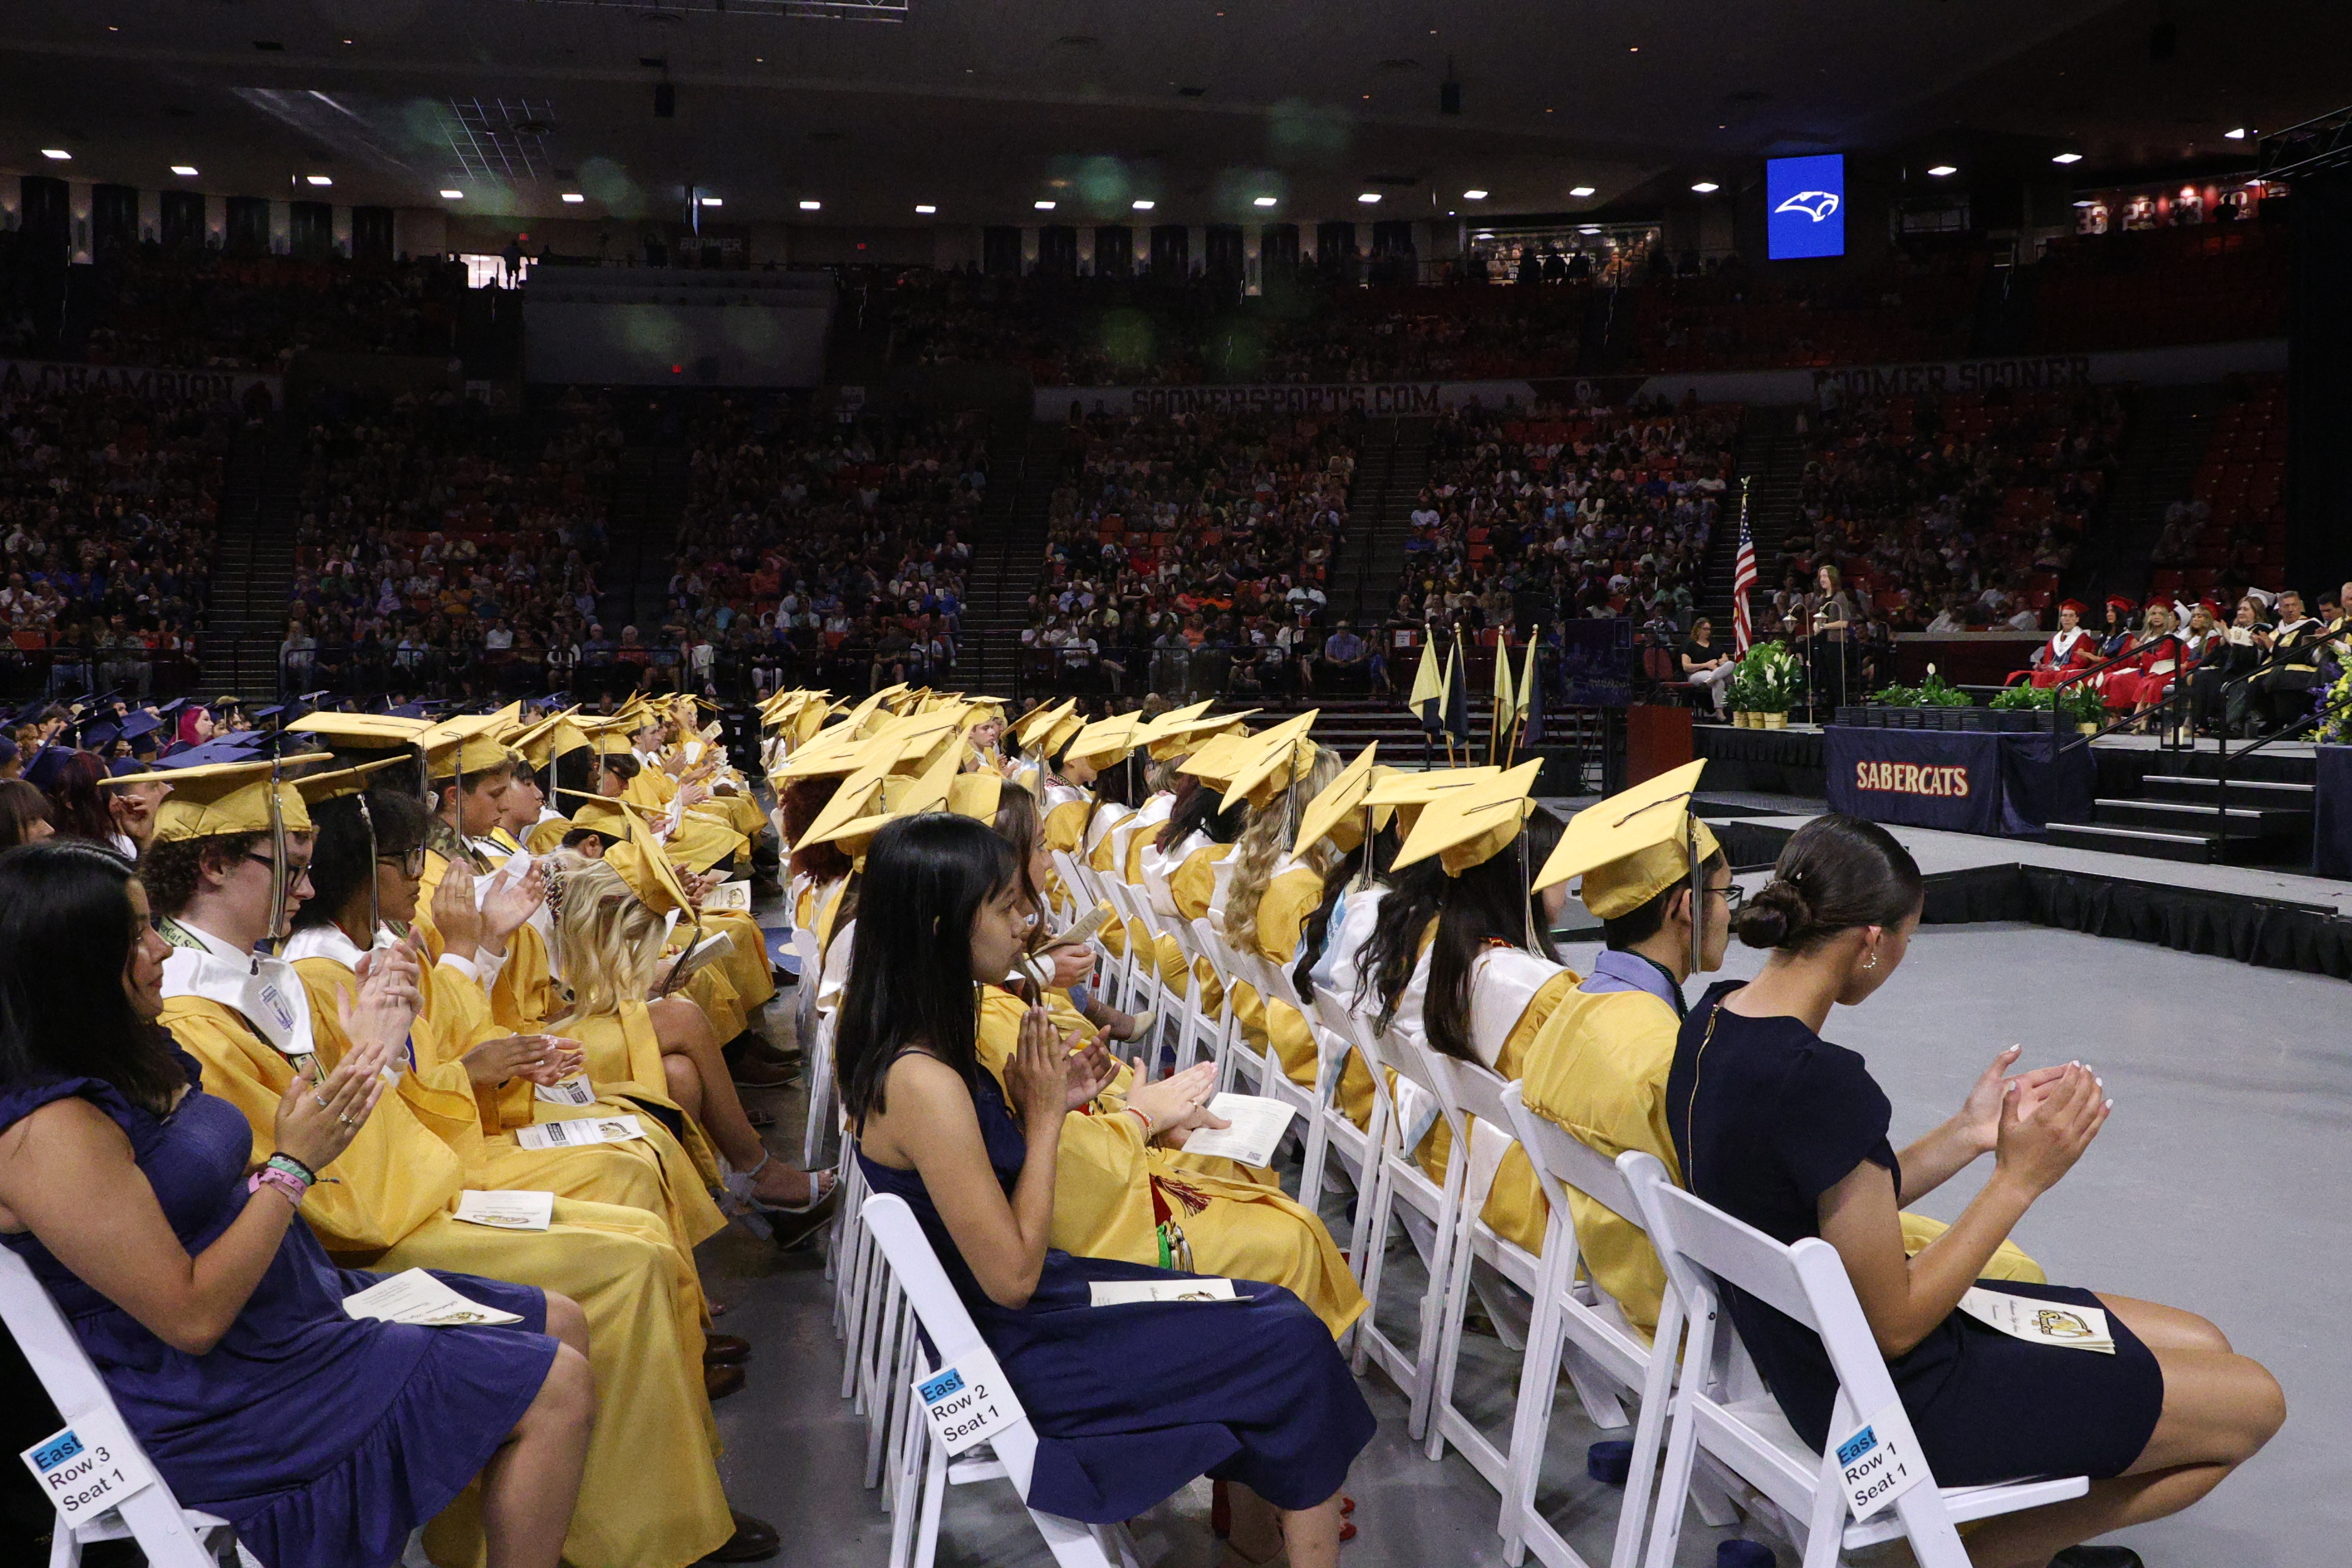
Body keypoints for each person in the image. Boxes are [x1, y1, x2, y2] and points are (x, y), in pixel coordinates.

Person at [1670, 815, 2282, 1567]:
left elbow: (1824, 1202)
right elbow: (1897, 1325)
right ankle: (1967, 1559)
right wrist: (2018, 1181)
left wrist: (1967, 1131)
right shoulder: (1819, 1081)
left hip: (1816, 1373)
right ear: (1871, 942)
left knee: (2205, 1345)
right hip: (1900, 1397)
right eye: (1906, 938)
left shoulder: (1712, 1022)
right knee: (2254, 1404)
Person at [0, 841, 593, 1568]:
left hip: (292, 1307)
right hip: (225, 1392)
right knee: (557, 1386)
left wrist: (368, 1058)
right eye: (134, 937)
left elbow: (214, 1178)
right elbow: (191, 1319)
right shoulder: (47, 1135)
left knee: (561, 1319)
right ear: (71, 965)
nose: (161, 948)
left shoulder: (124, 1049)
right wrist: (291, 1168)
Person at [839, 812, 1374, 1568]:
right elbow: (1012, 1277)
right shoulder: (923, 1080)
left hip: (1033, 1316)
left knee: (1273, 1313)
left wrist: (1048, 1106)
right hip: (1029, 1351)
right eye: (1004, 907)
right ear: (940, 927)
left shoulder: (922, 1036)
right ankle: (1273, 1541)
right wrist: (1046, 1119)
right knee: (1287, 1340)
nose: (1025, 923)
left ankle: (1258, 1540)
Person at [1679, 616, 1737, 715]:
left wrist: (1716, 662)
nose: (1708, 632)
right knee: (1718, 681)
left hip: (1715, 672)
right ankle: (1719, 711)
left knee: (1732, 664)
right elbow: (1686, 667)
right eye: (1705, 629)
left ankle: (1710, 680)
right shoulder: (1690, 645)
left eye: (1709, 629)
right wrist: (1706, 665)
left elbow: (1725, 659)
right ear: (1698, 630)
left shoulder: (1715, 644)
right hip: (1697, 674)